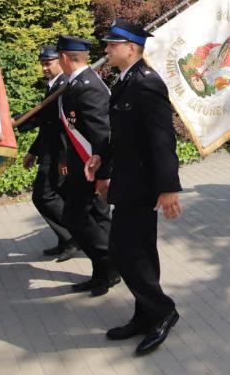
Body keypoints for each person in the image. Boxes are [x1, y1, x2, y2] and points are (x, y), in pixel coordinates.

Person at [87, 19, 181, 355]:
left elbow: (163, 139)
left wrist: (169, 188)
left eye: (112, 45)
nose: (107, 50)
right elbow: (121, 134)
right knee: (140, 250)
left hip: (143, 185)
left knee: (125, 251)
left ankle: (163, 310)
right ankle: (145, 315)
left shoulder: (147, 83)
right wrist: (101, 157)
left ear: (131, 48)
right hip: (128, 182)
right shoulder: (125, 81)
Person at [56, 35, 118, 296]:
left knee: (74, 217)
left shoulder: (88, 86)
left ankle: (111, 263)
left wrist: (103, 174)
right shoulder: (76, 83)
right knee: (96, 218)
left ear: (63, 58)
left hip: (91, 167)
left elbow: (102, 134)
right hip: (82, 165)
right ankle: (102, 273)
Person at [19, 46, 76, 261]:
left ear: (60, 61)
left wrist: (63, 158)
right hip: (49, 151)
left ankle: (74, 236)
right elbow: (47, 125)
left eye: (48, 63)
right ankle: (66, 239)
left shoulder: (64, 86)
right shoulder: (53, 85)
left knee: (44, 196)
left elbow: (65, 127)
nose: (44, 68)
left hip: (59, 154)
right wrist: (33, 151)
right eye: (42, 63)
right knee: (56, 196)